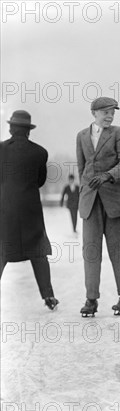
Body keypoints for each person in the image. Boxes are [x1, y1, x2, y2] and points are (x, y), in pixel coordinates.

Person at [76, 97, 120, 317]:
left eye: (112, 112)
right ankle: (91, 299)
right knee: (90, 252)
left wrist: (108, 176)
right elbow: (83, 169)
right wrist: (85, 192)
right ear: (94, 113)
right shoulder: (81, 136)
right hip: (90, 202)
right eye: (105, 112)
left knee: (118, 251)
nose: (110, 116)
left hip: (115, 201)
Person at [0, 110, 59, 310]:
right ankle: (49, 297)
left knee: (2, 251)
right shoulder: (40, 152)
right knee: (38, 252)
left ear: (10, 128)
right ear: (28, 131)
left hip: (5, 209)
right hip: (30, 211)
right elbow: (40, 181)